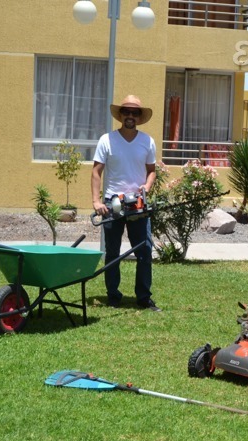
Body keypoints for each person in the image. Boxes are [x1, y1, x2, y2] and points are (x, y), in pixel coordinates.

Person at [91, 95, 161, 312]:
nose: (130, 116)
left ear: (139, 117)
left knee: (144, 251)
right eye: (127, 112)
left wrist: (147, 187)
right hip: (112, 204)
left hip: (138, 204)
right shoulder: (106, 140)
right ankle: (113, 296)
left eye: (135, 112)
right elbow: (96, 172)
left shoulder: (147, 141)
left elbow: (152, 172)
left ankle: (143, 297)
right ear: (120, 115)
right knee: (112, 252)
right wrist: (95, 201)